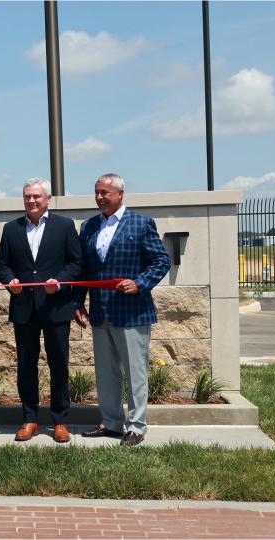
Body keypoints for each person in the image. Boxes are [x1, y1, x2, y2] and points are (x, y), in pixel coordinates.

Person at [74, 173, 171, 447]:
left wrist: (139, 283)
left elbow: (161, 261)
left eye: (105, 192)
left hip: (132, 313)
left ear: (120, 194)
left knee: (135, 371)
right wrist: (78, 302)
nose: (99, 197)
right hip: (101, 312)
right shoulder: (89, 227)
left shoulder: (141, 224)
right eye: (97, 192)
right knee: (106, 372)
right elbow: (86, 270)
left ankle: (137, 426)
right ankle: (112, 422)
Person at [0, 178, 82, 443]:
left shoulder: (65, 226)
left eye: (36, 196)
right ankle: (30, 419)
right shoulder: (11, 229)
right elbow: (3, 265)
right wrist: (10, 281)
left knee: (59, 365)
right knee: (26, 365)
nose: (31, 201)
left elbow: (76, 264)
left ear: (47, 198)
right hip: (24, 308)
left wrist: (59, 282)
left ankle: (60, 421)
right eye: (27, 197)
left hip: (56, 307)